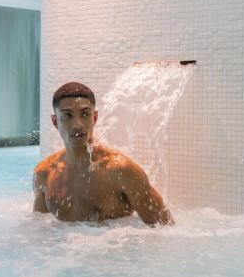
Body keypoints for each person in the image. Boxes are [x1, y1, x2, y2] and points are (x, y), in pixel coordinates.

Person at [33, 82, 175, 226]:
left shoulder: (120, 171)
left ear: (94, 118)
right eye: (68, 116)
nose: (78, 124)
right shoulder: (44, 173)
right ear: (55, 122)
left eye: (85, 114)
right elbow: (40, 229)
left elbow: (166, 229)